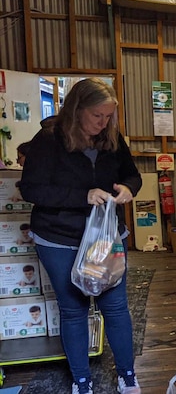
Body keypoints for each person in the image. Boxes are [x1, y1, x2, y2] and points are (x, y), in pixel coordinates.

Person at [20, 78, 142, 394]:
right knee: (73, 309)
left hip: (104, 238)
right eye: (96, 116)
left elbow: (132, 174)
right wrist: (82, 196)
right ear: (77, 110)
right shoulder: (48, 140)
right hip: (59, 238)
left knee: (115, 307)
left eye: (108, 117)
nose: (103, 124)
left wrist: (129, 188)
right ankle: (82, 380)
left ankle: (128, 375)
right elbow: (32, 189)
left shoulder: (113, 139)